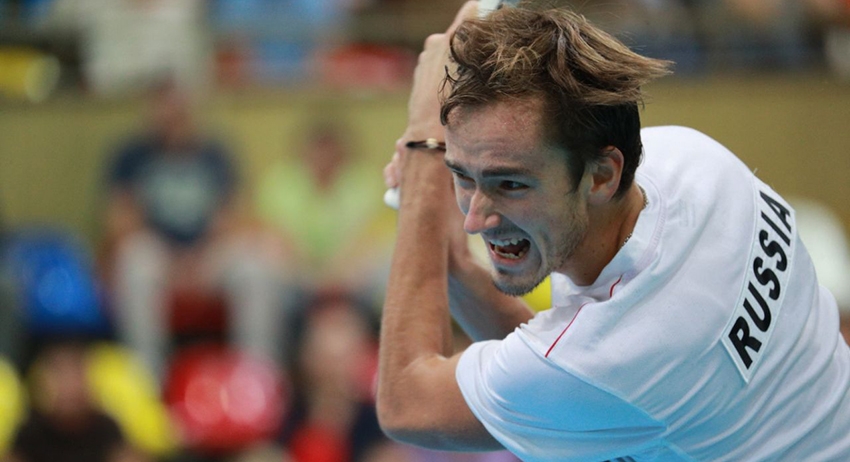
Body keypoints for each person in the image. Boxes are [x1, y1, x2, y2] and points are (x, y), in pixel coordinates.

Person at [376, 2, 850, 461]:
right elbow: (559, 373)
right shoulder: (695, 160)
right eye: (462, 176)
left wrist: (423, 149)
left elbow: (405, 404)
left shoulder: (620, 354)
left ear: (602, 175)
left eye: (511, 184)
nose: (475, 220)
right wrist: (453, 260)